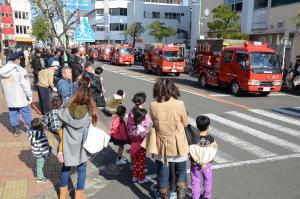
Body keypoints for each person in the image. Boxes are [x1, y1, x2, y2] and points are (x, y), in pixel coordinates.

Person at [148, 78, 189, 199]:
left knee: (163, 172)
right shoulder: (179, 103)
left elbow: (153, 122)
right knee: (181, 170)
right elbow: (185, 123)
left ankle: (164, 195)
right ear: (172, 88)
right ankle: (180, 194)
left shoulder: (153, 104)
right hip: (178, 143)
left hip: (162, 144)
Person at [58, 83, 98, 199]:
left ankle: (63, 193)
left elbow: (58, 124)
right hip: (81, 145)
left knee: (66, 167)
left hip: (67, 144)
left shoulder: (65, 110)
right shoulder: (90, 114)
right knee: (82, 168)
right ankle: (79, 194)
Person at [0, 52, 32, 136]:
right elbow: (26, 85)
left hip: (10, 97)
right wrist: (29, 95)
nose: (20, 60)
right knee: (25, 113)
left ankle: (16, 130)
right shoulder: (21, 70)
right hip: (21, 97)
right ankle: (31, 128)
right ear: (16, 60)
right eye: (19, 59)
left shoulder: (2, 70)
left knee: (13, 113)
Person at [127, 92, 152, 184]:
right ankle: (141, 178)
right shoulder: (144, 114)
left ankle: (135, 176)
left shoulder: (131, 112)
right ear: (143, 102)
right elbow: (147, 125)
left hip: (133, 138)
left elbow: (128, 125)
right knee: (141, 160)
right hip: (141, 139)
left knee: (135, 160)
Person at [190, 116, 217, 199]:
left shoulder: (193, 138)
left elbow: (190, 150)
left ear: (197, 125)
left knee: (195, 180)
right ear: (208, 126)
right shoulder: (210, 139)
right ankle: (207, 196)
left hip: (195, 163)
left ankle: (195, 197)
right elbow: (214, 149)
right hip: (207, 164)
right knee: (208, 180)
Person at [27, 118, 51, 183]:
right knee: (40, 166)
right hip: (41, 153)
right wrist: (47, 154)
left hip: (36, 152)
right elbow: (43, 147)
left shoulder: (30, 132)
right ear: (40, 126)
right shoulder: (40, 136)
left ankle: (37, 174)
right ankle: (40, 178)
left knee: (38, 164)